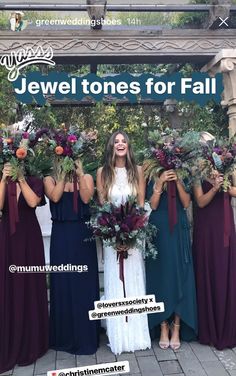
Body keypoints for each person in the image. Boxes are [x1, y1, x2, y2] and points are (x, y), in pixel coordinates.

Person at [96, 131, 151, 355]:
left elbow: (140, 207)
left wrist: (132, 237)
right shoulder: (102, 173)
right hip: (112, 240)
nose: (120, 144)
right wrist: (114, 237)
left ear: (129, 146)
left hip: (133, 239)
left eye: (124, 141)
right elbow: (103, 210)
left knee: (134, 281)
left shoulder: (138, 172)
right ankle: (118, 336)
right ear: (111, 146)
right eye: (116, 141)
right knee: (116, 284)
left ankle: (137, 335)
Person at [44, 159, 100, 355]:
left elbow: (86, 199)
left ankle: (86, 335)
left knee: (83, 285)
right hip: (61, 236)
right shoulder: (49, 179)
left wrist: (80, 172)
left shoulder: (86, 177)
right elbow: (55, 197)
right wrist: (62, 176)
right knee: (64, 283)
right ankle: (64, 336)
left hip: (83, 235)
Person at [0, 163, 48, 374]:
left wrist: (20, 179)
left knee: (29, 284)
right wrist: (3, 179)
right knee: (9, 284)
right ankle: (10, 335)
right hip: (7, 239)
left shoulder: (35, 181)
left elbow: (32, 202)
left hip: (29, 237)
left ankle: (32, 338)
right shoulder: (2, 181)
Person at [145, 170, 198, 350]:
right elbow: (152, 205)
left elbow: (185, 203)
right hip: (158, 227)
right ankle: (162, 325)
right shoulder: (151, 173)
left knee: (180, 274)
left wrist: (179, 182)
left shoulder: (183, 172)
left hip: (178, 227)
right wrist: (159, 183)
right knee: (160, 275)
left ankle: (177, 326)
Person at [193, 172, 236, 350]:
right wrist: (215, 188)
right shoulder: (195, 170)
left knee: (225, 272)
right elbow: (200, 202)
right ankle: (208, 329)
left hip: (224, 227)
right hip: (205, 229)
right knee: (207, 271)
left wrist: (225, 184)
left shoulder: (231, 167)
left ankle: (228, 326)